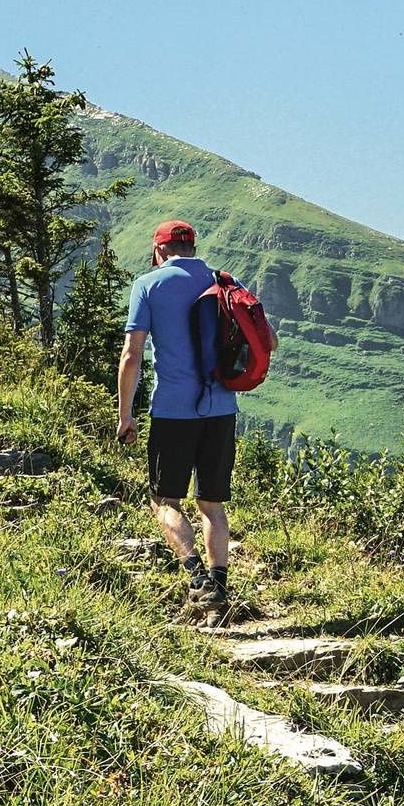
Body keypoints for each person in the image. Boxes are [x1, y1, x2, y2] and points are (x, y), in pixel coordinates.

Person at [116, 220, 276, 615]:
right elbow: (269, 340)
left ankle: (197, 578)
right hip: (222, 409)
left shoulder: (148, 285)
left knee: (164, 499)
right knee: (212, 504)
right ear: (192, 247)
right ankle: (220, 588)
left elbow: (131, 355)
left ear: (159, 250)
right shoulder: (224, 280)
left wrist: (125, 415)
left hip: (173, 410)